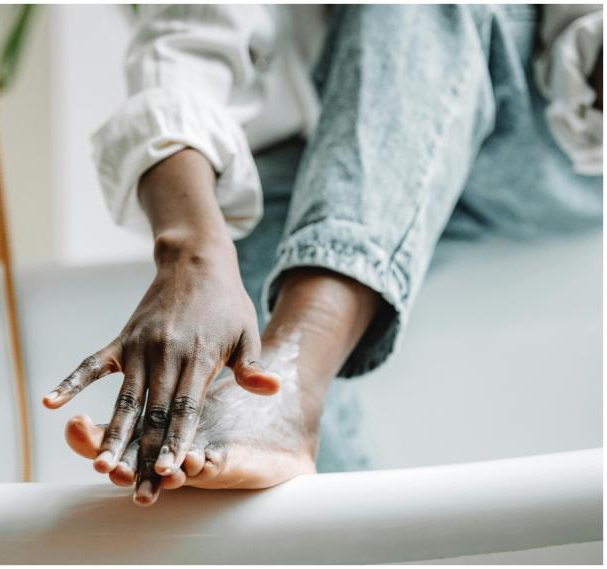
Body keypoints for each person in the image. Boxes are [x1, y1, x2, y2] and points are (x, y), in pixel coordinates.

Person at [43, 5, 603, 506]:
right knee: (240, 221)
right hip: (361, 165)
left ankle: (289, 384)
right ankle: (356, 531)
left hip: (551, 150)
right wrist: (192, 254)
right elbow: (185, 51)